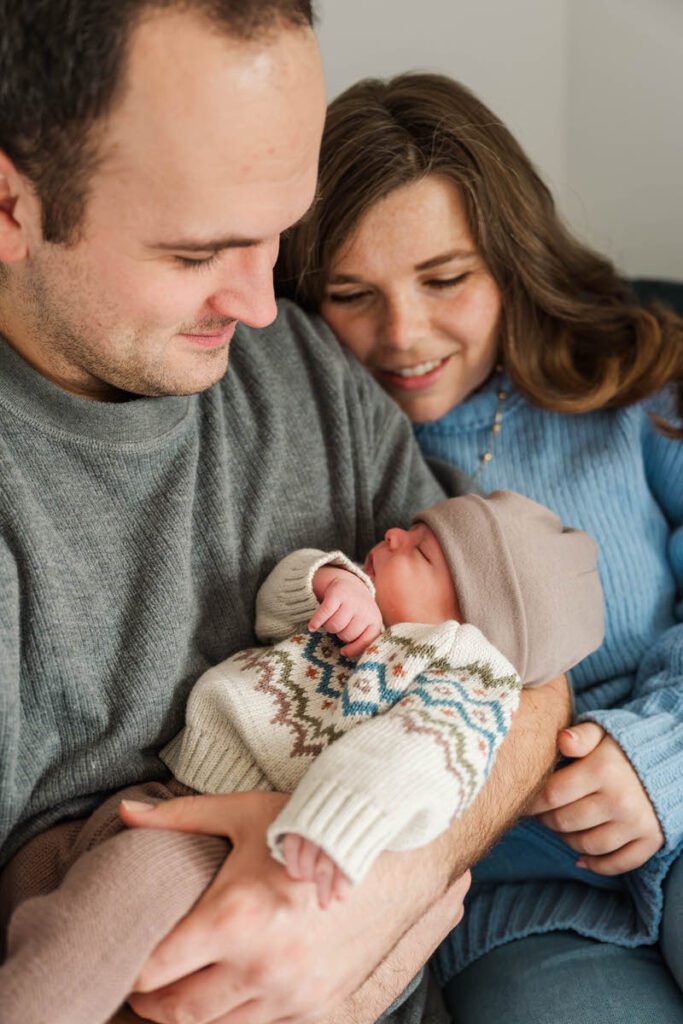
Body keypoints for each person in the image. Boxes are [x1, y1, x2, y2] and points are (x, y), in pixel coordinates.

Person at [0, 8, 574, 1024]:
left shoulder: (297, 367)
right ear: (11, 204)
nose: (264, 305)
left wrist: (376, 895)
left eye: (277, 233)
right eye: (199, 253)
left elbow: (519, 672)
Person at [275, 71, 683, 1023]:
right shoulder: (307, 450)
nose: (402, 334)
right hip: (514, 906)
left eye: (445, 279)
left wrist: (658, 756)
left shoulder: (633, 383)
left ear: (511, 258)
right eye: (350, 293)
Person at [0, 491, 603, 1024]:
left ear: (474, 620)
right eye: (411, 530)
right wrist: (330, 582)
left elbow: (413, 758)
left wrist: (330, 826)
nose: (395, 534)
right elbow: (274, 610)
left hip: (236, 848)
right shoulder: (362, 604)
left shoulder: (460, 672)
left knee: (98, 922)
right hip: (163, 793)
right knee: (34, 876)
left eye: (421, 551)